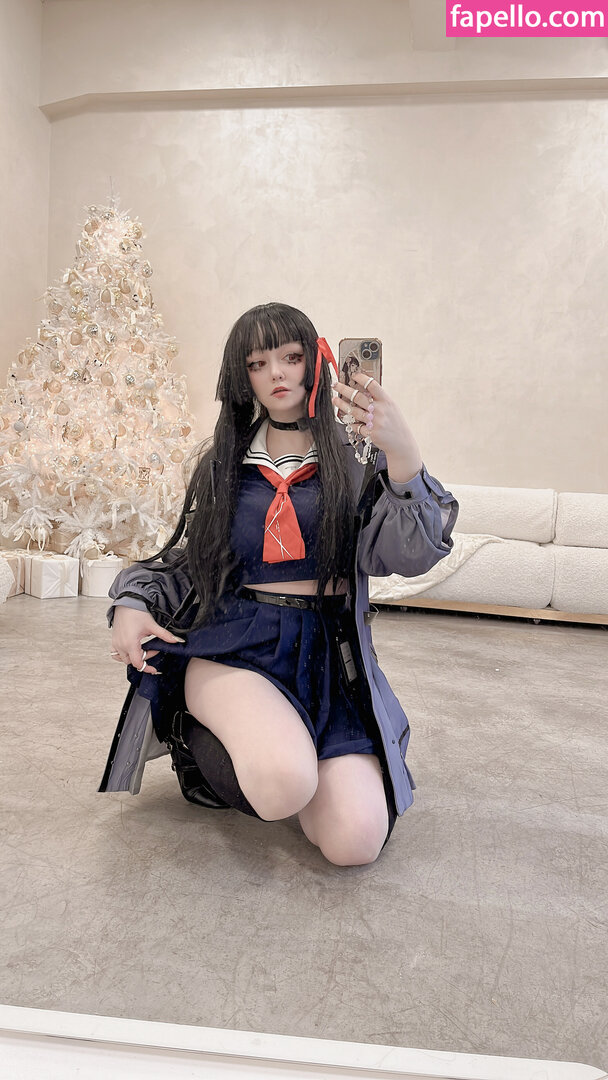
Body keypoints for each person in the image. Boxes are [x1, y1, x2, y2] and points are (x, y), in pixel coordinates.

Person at [100, 302, 458, 866]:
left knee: (354, 843)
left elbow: (408, 556)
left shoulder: (357, 459)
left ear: (315, 362)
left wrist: (403, 452)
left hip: (330, 656)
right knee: (283, 785)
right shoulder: (224, 463)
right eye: (257, 363)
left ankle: (289, 748)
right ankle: (198, 739)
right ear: (241, 376)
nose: (277, 374)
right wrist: (131, 601)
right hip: (238, 645)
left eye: (291, 357)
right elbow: (193, 561)